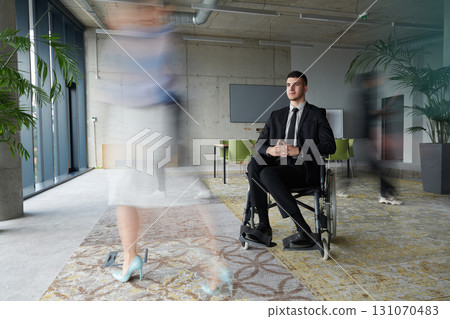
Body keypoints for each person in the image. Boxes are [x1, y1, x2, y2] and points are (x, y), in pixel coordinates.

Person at [246, 71, 336, 247]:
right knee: (255, 164)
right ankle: (264, 226)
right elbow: (259, 145)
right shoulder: (276, 115)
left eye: (296, 84)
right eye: (288, 85)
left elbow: (329, 146)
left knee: (268, 174)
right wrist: (271, 150)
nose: (291, 88)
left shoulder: (317, 114)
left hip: (304, 168)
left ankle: (303, 229)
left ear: (305, 88)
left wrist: (299, 150)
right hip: (278, 166)